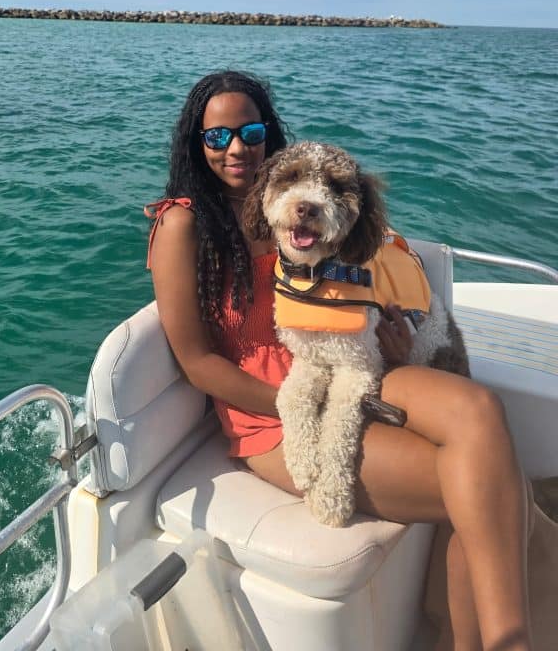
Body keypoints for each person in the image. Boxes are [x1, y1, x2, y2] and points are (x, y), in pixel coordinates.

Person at [147, 69, 533, 651]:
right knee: (487, 490)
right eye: (217, 137)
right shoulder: (183, 224)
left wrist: (396, 341)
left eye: (251, 132)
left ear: (269, 134)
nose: (236, 149)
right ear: (196, 143)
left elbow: (361, 283)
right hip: (275, 415)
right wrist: (302, 404)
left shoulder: (303, 204)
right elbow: (198, 362)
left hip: (350, 361)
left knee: (480, 410)